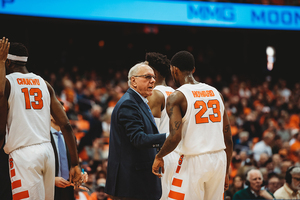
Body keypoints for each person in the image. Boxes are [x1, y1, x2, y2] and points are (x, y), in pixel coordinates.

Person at [0, 38, 81, 199]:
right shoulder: (43, 83)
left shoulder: (7, 83)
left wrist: (0, 62)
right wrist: (75, 164)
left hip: (24, 155)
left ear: (8, 62)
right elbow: (65, 124)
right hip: (47, 152)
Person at [152, 50, 233, 199]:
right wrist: (226, 171)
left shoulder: (177, 96)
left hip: (193, 160)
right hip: (219, 160)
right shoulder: (216, 93)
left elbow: (175, 137)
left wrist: (159, 156)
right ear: (193, 70)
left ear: (173, 69)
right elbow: (228, 138)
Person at [105, 62, 167, 200]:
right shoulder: (129, 103)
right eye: (147, 77)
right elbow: (138, 139)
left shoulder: (137, 101)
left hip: (137, 182)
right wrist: (169, 137)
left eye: (154, 77)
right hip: (131, 185)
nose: (152, 80)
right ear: (133, 80)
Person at [145, 52, 179, 200]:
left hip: (161, 155)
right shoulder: (176, 93)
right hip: (177, 153)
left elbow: (151, 133)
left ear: (154, 73)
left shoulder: (155, 94)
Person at [51, 101, 88, 200]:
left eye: (64, 112)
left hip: (68, 188)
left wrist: (82, 172)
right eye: (60, 112)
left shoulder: (71, 137)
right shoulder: (42, 137)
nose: (63, 115)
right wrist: (51, 180)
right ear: (50, 115)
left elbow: (76, 160)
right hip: (49, 188)